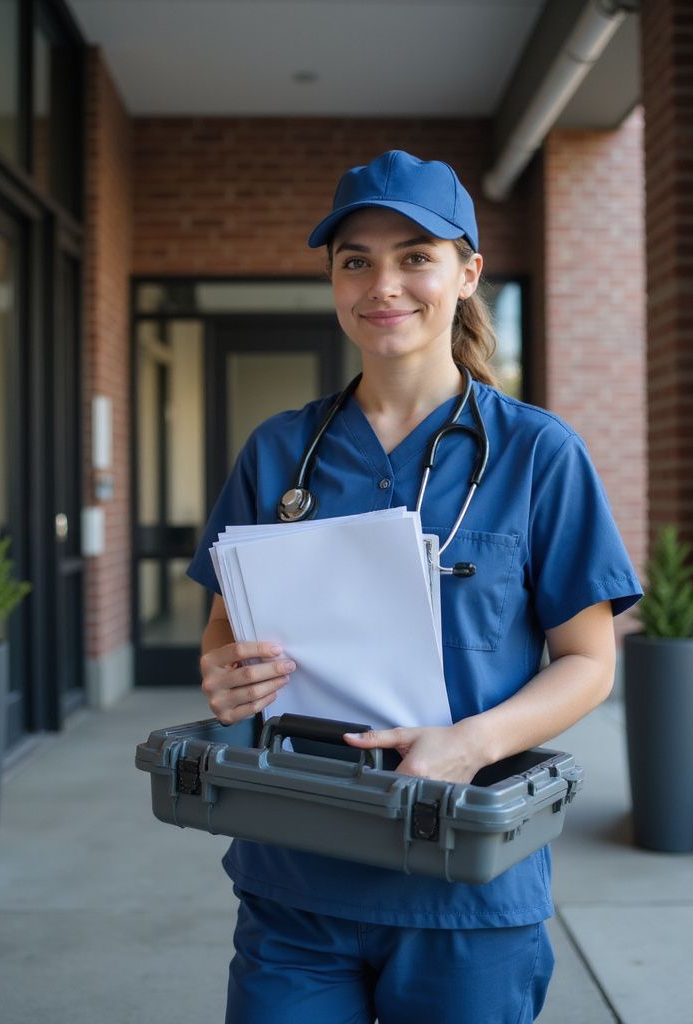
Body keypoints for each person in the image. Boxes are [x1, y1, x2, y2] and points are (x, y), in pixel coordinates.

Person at [187, 149, 642, 1024]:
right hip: (296, 873)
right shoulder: (280, 453)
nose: (382, 284)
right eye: (354, 259)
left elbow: (588, 660)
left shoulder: (538, 454)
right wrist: (223, 673)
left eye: (414, 257)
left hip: (464, 877)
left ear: (466, 273)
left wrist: (473, 742)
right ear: (331, 279)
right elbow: (222, 629)